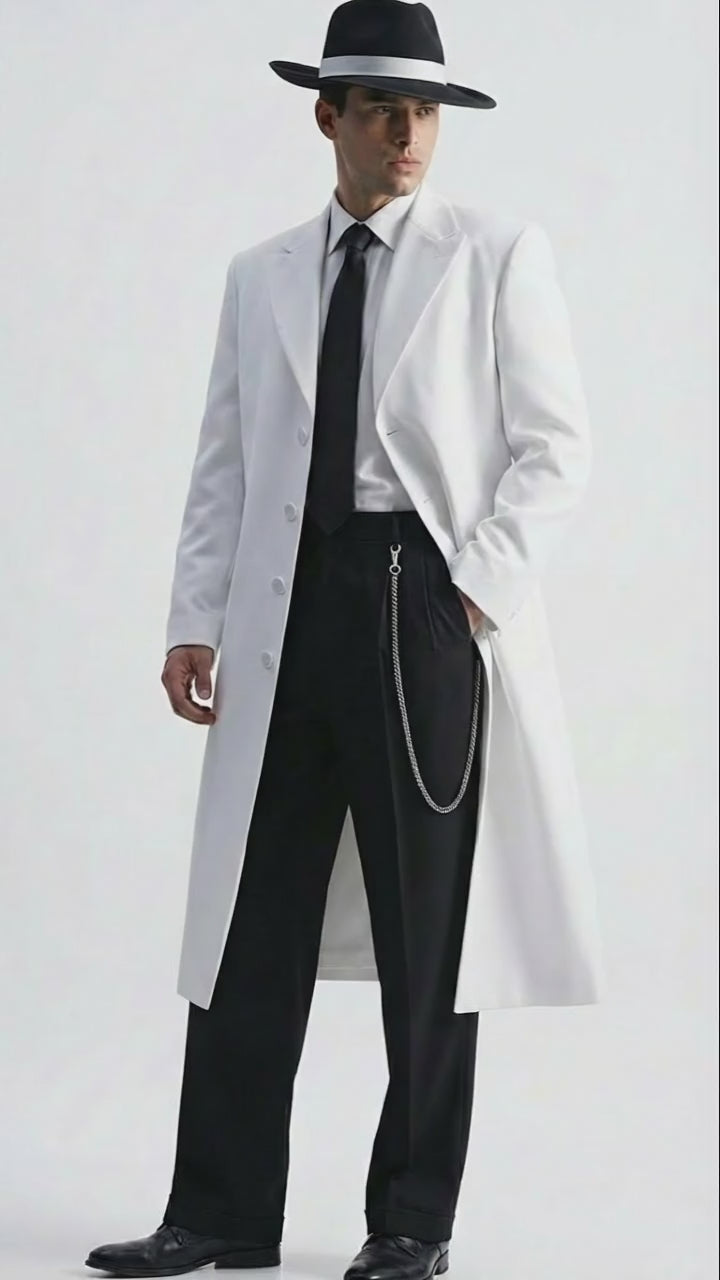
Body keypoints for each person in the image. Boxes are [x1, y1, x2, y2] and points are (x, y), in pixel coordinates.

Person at [85, 2, 606, 1276]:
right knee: (247, 915)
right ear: (328, 116)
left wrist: (466, 594)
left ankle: (410, 1221)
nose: (408, 134)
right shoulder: (260, 272)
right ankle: (219, 1209)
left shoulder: (494, 253)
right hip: (286, 607)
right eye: (381, 110)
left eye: (423, 112)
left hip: (420, 605)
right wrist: (194, 615)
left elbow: (556, 450)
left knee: (432, 930)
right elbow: (224, 459)